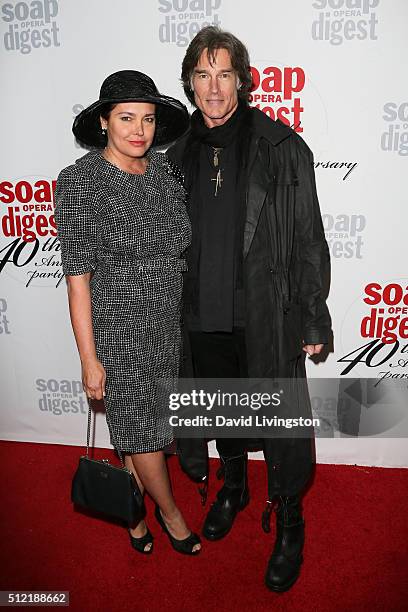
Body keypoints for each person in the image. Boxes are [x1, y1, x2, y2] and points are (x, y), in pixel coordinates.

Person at [167, 27, 331, 589]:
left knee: (282, 425)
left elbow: (309, 237)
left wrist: (313, 315)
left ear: (243, 78)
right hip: (200, 317)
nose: (214, 87)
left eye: (225, 73)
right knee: (221, 411)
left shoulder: (282, 147)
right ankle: (234, 483)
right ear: (190, 83)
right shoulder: (175, 156)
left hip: (265, 311)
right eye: (203, 75)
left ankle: (288, 516)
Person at [55, 70, 201, 555]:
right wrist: (89, 359)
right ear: (103, 122)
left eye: (148, 119)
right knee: (140, 428)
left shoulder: (163, 172)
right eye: (126, 118)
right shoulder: (80, 181)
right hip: (118, 329)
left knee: (148, 425)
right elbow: (78, 279)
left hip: (166, 324)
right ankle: (171, 513)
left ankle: (133, 509)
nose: (139, 129)